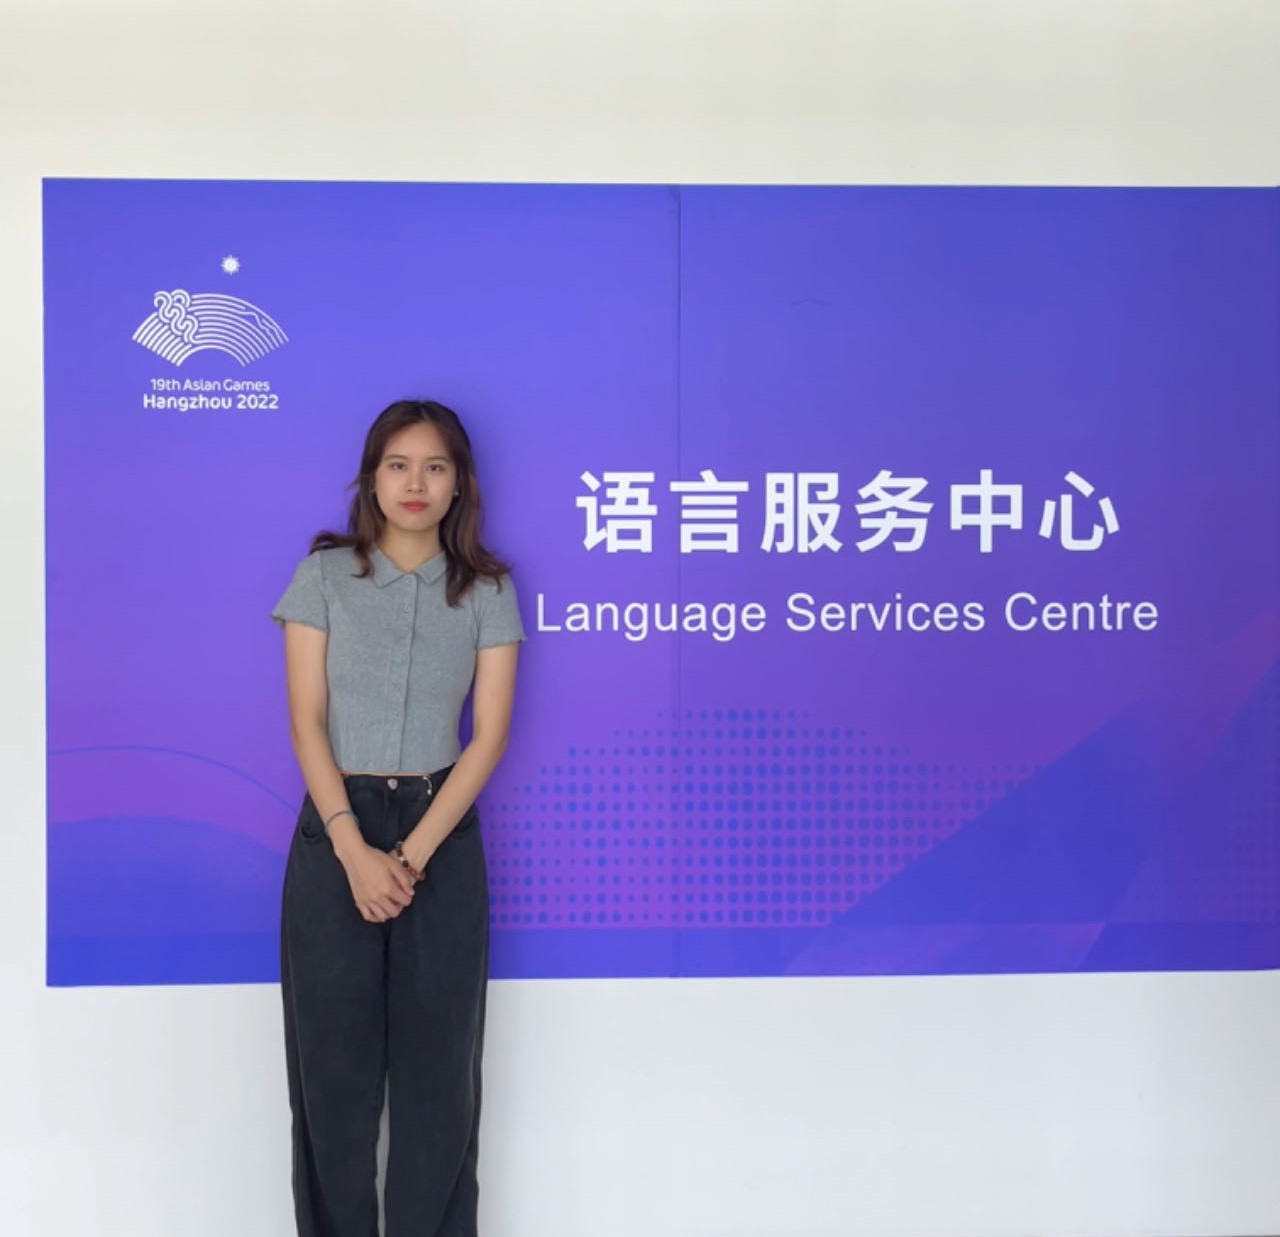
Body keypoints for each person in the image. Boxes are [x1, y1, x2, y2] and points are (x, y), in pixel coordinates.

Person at [271, 398, 524, 1237]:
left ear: (459, 485)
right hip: (335, 830)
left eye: (435, 467)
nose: (416, 483)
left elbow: (489, 737)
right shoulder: (322, 578)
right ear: (372, 479)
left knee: (439, 1080)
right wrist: (354, 849)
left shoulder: (488, 588)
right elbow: (306, 721)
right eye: (399, 465)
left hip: (439, 832)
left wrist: (409, 857)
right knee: (331, 1079)